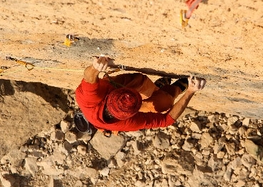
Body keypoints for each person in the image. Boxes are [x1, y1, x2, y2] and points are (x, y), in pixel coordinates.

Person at [75, 56, 206, 132]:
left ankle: (157, 87)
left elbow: (88, 77)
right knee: (162, 104)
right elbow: (166, 121)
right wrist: (190, 91)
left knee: (141, 82)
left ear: (110, 96)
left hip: (119, 84)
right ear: (131, 114)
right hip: (122, 91)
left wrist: (96, 67)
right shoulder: (126, 123)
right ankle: (173, 88)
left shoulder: (88, 100)